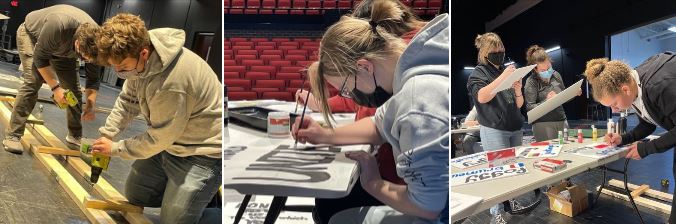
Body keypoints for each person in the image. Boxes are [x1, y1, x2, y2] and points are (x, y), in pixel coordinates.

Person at [291, 0, 449, 222]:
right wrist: (324, 135)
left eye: (346, 88)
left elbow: (426, 206)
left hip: (440, 214)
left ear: (364, 66)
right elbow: (379, 123)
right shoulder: (423, 57)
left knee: (336, 215)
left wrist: (373, 183)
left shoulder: (416, 105)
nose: (350, 95)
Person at [88, 13, 222, 223]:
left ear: (143, 53)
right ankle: (194, 196)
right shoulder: (140, 57)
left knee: (175, 220)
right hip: (170, 143)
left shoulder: (172, 83)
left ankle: (216, 206)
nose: (119, 72)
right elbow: (127, 100)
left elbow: (160, 137)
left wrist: (114, 149)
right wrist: (107, 134)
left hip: (202, 151)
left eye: (122, 67)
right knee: (137, 194)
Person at [584, 52, 676, 222]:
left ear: (624, 89)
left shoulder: (659, 85)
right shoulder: (633, 84)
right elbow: (649, 122)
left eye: (614, 104)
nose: (614, 110)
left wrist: (646, 148)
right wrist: (624, 138)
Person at [3, 4, 102, 154]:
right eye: (82, 57)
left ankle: (75, 136)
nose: (84, 60)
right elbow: (40, 58)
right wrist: (55, 88)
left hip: (63, 50)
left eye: (87, 60)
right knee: (33, 81)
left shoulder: (98, 45)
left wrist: (90, 103)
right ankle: (13, 134)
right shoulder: (59, 24)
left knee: (73, 90)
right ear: (76, 43)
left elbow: (93, 79)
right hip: (32, 36)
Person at [467, 32, 536, 224]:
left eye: (501, 49)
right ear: (485, 52)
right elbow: (482, 97)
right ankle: (496, 212)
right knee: (497, 173)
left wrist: (517, 89)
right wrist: (504, 77)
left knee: (511, 170)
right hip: (495, 129)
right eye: (494, 50)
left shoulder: (504, 71)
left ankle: (510, 202)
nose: (499, 52)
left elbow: (519, 104)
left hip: (514, 127)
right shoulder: (479, 73)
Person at [523, 45, 579, 142]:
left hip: (561, 119)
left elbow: (563, 96)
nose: (547, 72)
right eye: (543, 70)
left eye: (549, 67)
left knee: (566, 151)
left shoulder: (556, 75)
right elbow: (529, 107)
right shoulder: (531, 81)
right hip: (543, 124)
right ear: (535, 70)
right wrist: (547, 101)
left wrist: (572, 93)